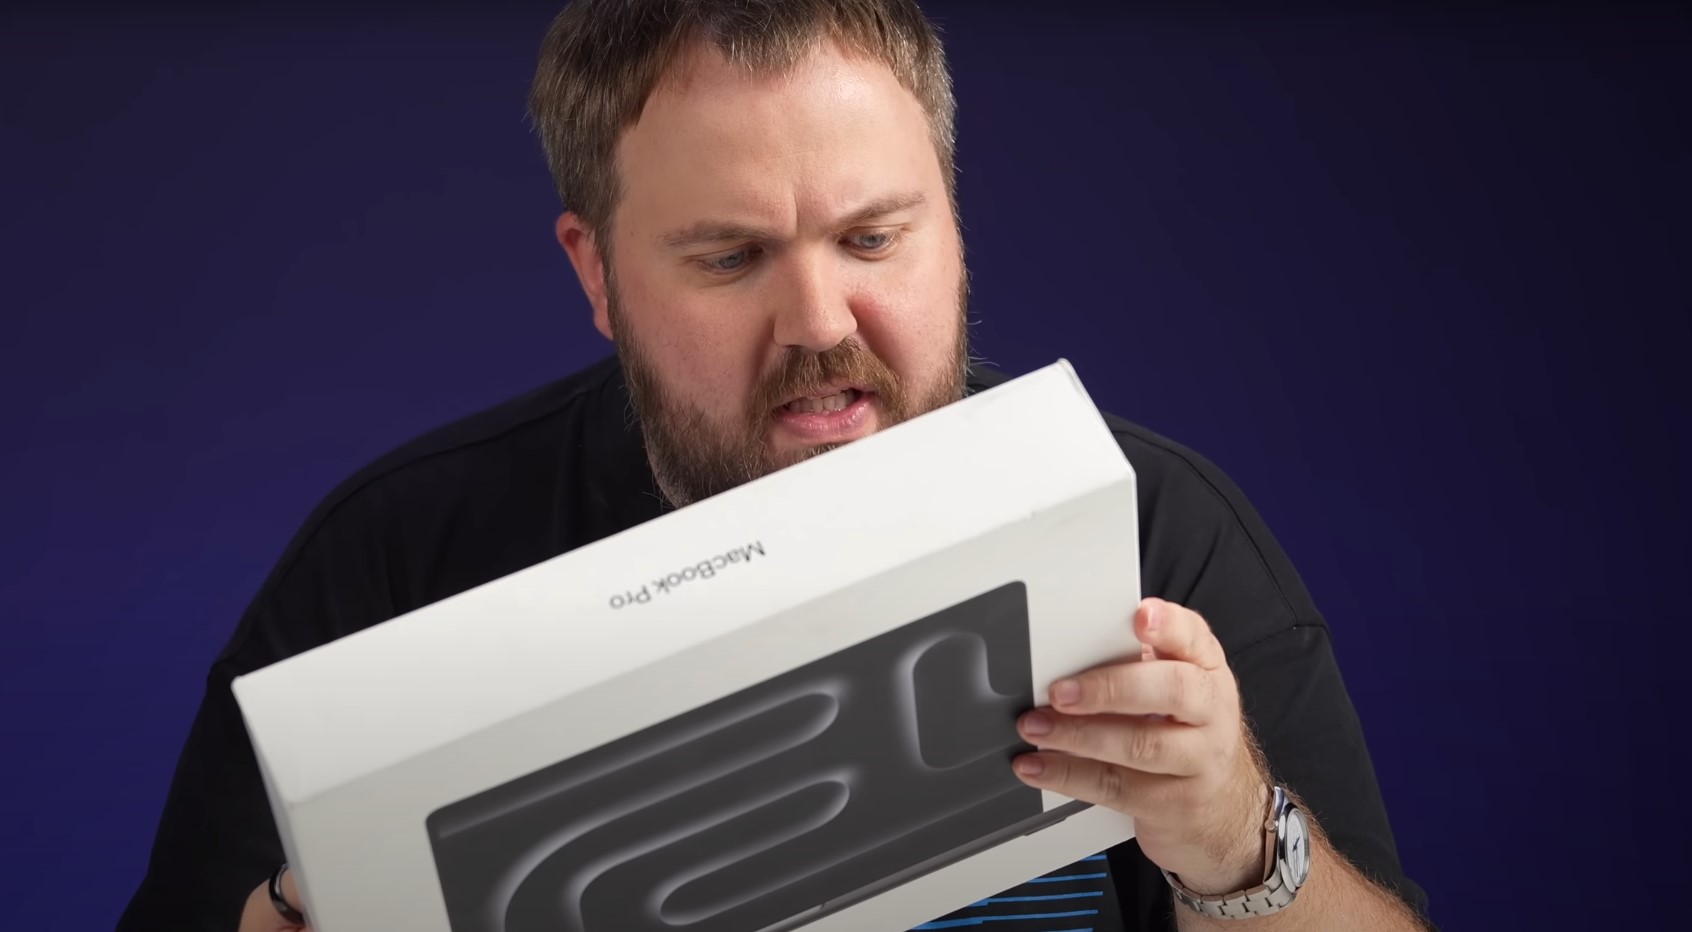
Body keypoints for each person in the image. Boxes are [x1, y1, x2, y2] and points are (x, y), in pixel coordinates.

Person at [116, 1, 1432, 930]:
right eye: (732, 256)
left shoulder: (1152, 530)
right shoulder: (397, 561)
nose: (817, 321)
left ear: (953, 224)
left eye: (873, 238)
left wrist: (1237, 844)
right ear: (596, 272)